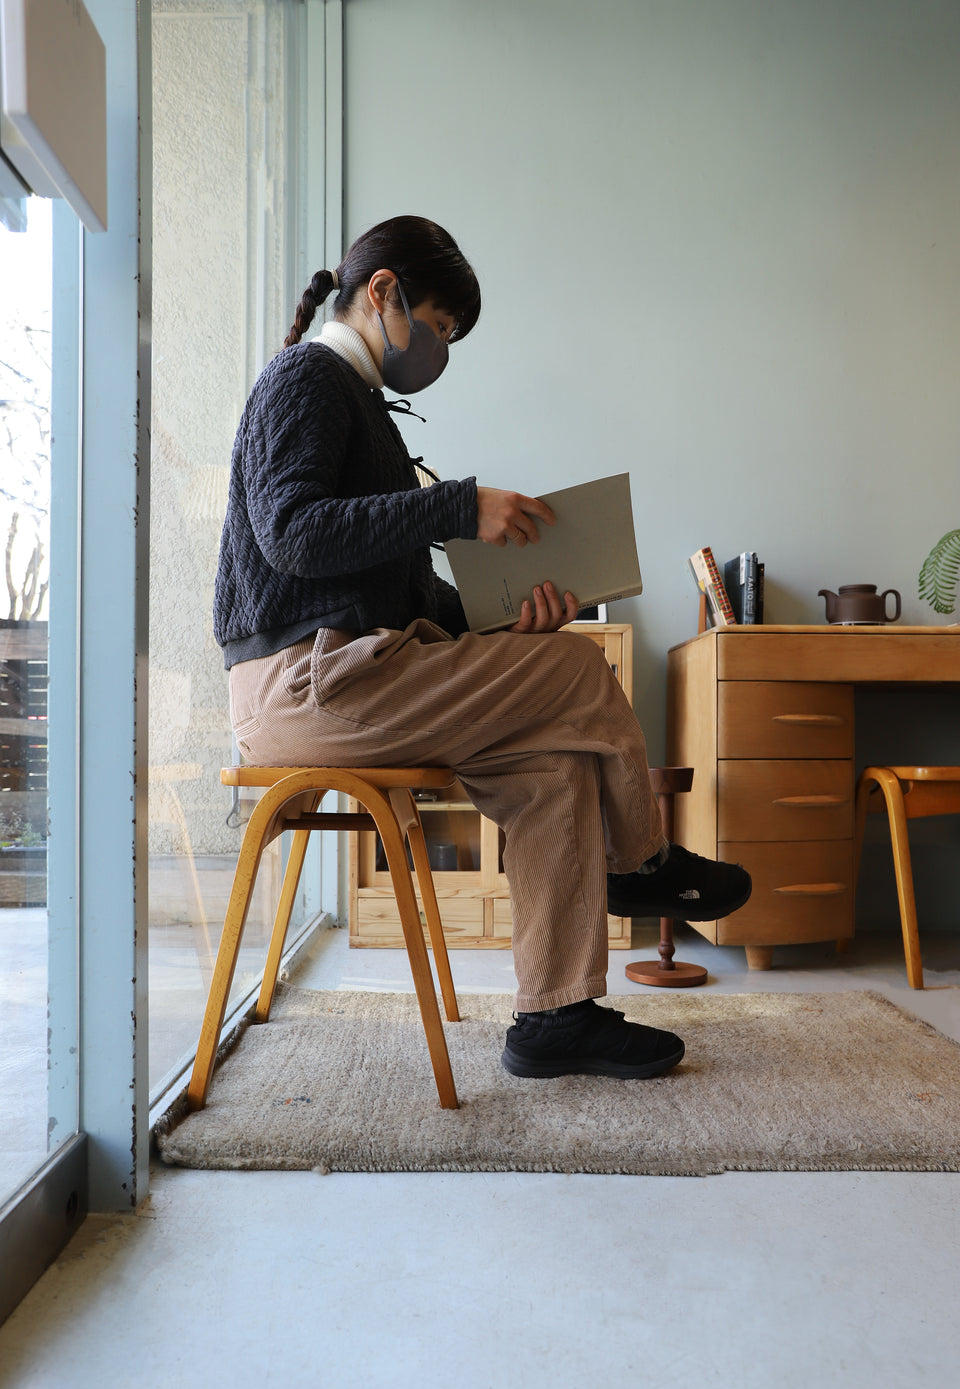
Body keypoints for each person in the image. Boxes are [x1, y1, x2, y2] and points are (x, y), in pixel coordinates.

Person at [214, 215, 751, 1082]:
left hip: (356, 676)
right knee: (581, 668)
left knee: (552, 770)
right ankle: (641, 861)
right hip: (306, 684)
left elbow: (409, 595)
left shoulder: (367, 413)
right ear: (382, 291)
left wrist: (508, 619)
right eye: (439, 324)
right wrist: (458, 508)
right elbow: (291, 535)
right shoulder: (306, 378)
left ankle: (556, 1016)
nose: (441, 348)